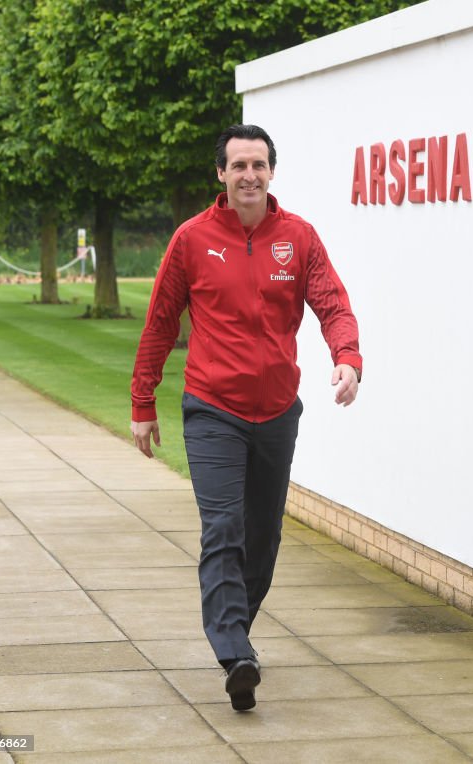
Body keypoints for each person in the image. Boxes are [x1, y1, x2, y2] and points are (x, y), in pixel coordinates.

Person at [130, 124, 362, 711]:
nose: (249, 176)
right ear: (221, 175)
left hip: (279, 410)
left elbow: (331, 302)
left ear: (272, 172)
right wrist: (142, 401)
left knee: (263, 535)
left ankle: (240, 632)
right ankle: (235, 652)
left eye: (258, 165)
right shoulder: (191, 239)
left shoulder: (298, 238)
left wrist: (348, 357)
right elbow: (160, 322)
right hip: (212, 408)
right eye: (238, 166)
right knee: (224, 528)